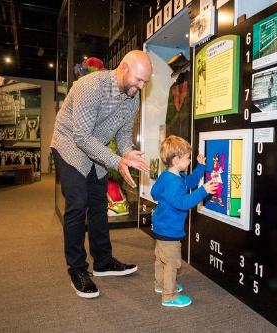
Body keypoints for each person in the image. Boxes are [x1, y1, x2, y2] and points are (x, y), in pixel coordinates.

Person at [51, 50, 152, 299]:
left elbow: (124, 134)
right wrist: (117, 161)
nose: (141, 87)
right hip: (69, 146)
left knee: (98, 204)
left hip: (97, 151)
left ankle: (103, 262)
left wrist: (128, 154)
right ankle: (77, 270)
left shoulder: (132, 97)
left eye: (145, 83)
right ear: (124, 68)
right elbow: (81, 137)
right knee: (78, 204)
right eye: (139, 80)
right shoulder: (90, 86)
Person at [150, 135, 218, 307]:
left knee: (161, 259)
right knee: (172, 263)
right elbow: (183, 203)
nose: (189, 161)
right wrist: (203, 191)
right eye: (187, 158)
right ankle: (169, 296)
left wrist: (200, 166)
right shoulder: (174, 182)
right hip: (170, 230)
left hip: (160, 227)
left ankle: (161, 284)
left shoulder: (168, 176)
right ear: (176, 159)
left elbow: (159, 192)